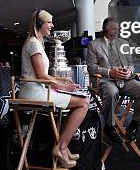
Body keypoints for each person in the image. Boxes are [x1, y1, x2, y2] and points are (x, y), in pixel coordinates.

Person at [19, 9, 88, 169]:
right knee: (84, 103)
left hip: (39, 90)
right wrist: (64, 86)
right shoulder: (33, 43)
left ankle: (63, 147)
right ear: (39, 24)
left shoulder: (37, 43)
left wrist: (64, 82)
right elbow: (42, 76)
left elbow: (43, 76)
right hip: (33, 92)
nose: (52, 25)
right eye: (49, 22)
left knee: (81, 99)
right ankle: (61, 147)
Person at [86, 17, 140, 144]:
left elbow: (131, 63)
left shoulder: (124, 43)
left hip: (126, 80)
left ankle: (134, 125)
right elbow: (91, 67)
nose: (117, 31)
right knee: (111, 92)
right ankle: (109, 127)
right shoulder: (94, 45)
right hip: (106, 80)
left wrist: (129, 72)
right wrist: (110, 72)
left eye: (118, 29)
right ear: (106, 28)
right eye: (115, 29)